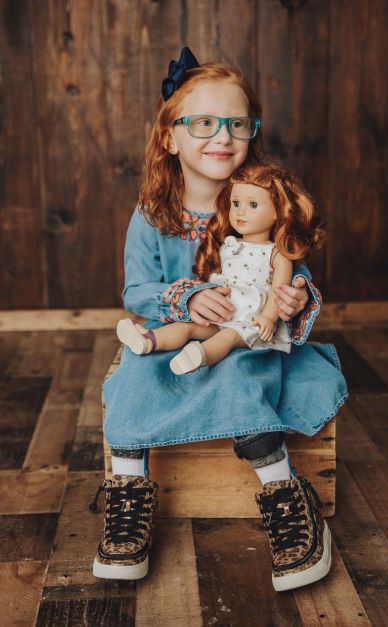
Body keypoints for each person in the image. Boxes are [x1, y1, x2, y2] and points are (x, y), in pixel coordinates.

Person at [90, 47, 348, 591]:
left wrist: (293, 298)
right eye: (203, 123)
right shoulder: (152, 215)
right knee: (132, 380)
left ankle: (286, 493)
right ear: (170, 137)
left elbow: (286, 273)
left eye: (236, 124)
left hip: (243, 341)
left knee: (239, 377)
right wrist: (183, 300)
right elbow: (135, 290)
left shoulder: (263, 202)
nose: (222, 136)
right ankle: (129, 502)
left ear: (251, 134)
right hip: (176, 340)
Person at [115, 161, 325, 377]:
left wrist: (269, 318)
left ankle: (200, 356)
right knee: (186, 327)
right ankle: (149, 340)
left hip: (252, 321)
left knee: (228, 338)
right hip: (226, 312)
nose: (241, 212)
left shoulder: (276, 254)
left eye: (253, 205)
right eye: (235, 203)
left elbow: (279, 291)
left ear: (277, 212)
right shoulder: (230, 243)